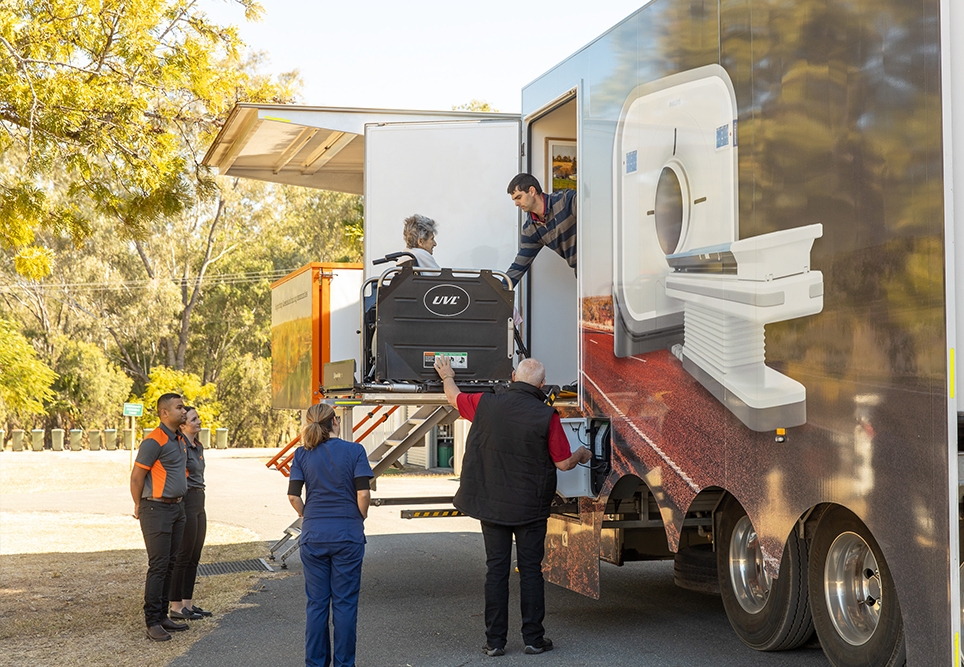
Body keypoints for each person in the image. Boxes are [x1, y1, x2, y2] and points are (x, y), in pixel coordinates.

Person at [434, 355, 591, 656]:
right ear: (542, 384)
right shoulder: (547, 416)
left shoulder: (486, 403)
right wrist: (582, 453)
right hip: (530, 508)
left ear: (513, 377)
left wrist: (447, 376)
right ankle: (533, 639)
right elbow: (563, 463)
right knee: (531, 571)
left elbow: (454, 398)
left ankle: (495, 642)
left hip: (492, 505)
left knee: (496, 570)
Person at [287, 404, 374, 667]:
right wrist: (360, 517)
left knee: (317, 604)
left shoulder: (302, 454)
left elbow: (293, 496)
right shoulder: (355, 451)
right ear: (335, 421)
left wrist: (307, 515)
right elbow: (363, 493)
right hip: (347, 534)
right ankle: (344, 664)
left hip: (314, 536)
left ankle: (315, 663)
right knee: (345, 604)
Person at [130, 392, 190, 642]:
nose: (184, 411)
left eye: (184, 407)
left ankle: (163, 615)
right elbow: (136, 477)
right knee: (159, 565)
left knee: (170, 563)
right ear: (164, 413)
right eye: (179, 407)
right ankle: (152, 621)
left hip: (177, 509)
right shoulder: (154, 440)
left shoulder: (179, 439)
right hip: (156, 509)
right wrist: (138, 504)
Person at [169, 406, 212, 621]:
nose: (198, 421)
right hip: (186, 500)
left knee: (194, 555)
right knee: (183, 555)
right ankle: (176, 606)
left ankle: (187, 603)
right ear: (183, 425)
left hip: (199, 500)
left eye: (198, 418)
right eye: (193, 419)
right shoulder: (180, 447)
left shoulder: (198, 446)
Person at [505, 173, 577, 286]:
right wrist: (498, 291)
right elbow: (519, 266)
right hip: (583, 272)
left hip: (603, 258)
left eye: (519, 197)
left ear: (532, 191)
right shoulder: (530, 229)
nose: (516, 204)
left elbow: (595, 212)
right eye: (514, 200)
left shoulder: (566, 200)